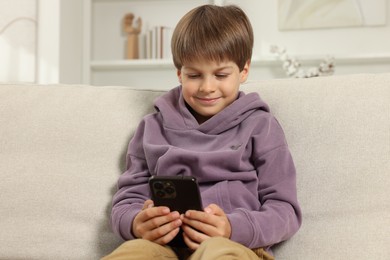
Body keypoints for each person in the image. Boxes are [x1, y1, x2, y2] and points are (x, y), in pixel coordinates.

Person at [103, 4, 301, 260]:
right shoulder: (151, 127)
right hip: (166, 247)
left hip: (236, 245)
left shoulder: (261, 126)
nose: (207, 87)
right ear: (179, 73)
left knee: (217, 253)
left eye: (221, 74)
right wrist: (134, 223)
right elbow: (127, 199)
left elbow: (285, 211)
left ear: (244, 70)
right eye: (194, 75)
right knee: (132, 253)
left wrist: (232, 227)